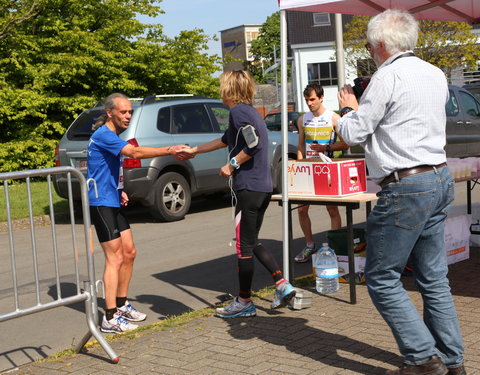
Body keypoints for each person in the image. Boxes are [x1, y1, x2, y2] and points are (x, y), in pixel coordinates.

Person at [336, 9, 465, 375]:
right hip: (438, 176)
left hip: (406, 184)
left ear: (379, 45)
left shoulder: (387, 75)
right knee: (433, 278)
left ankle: (424, 358)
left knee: (381, 277)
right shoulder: (434, 73)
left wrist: (346, 111)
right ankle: (453, 361)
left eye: (368, 45)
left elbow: (354, 133)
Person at [184, 70, 296, 318]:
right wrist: (195, 150)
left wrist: (231, 165)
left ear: (230, 89)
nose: (219, 91)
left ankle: (244, 301)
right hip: (262, 187)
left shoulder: (238, 112)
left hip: (249, 187)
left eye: (222, 86)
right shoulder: (247, 112)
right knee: (251, 240)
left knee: (243, 246)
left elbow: (253, 144)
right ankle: (281, 284)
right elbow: (225, 140)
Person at [87, 93, 191, 334]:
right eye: (123, 112)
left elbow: (106, 166)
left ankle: (122, 305)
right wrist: (170, 149)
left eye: (130, 112)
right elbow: (133, 153)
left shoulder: (112, 135)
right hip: (100, 202)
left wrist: (119, 189)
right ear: (110, 112)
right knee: (114, 258)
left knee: (130, 252)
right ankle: (110, 317)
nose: (128, 116)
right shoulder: (103, 134)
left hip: (112, 198)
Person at [294, 84, 349, 263]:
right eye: (307, 100)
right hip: (308, 169)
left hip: (327, 169)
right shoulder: (302, 120)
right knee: (301, 209)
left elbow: (345, 143)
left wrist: (327, 147)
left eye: (312, 99)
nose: (309, 103)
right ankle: (310, 245)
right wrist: (300, 166)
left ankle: (334, 249)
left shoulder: (333, 117)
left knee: (331, 209)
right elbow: (300, 145)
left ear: (321, 98)